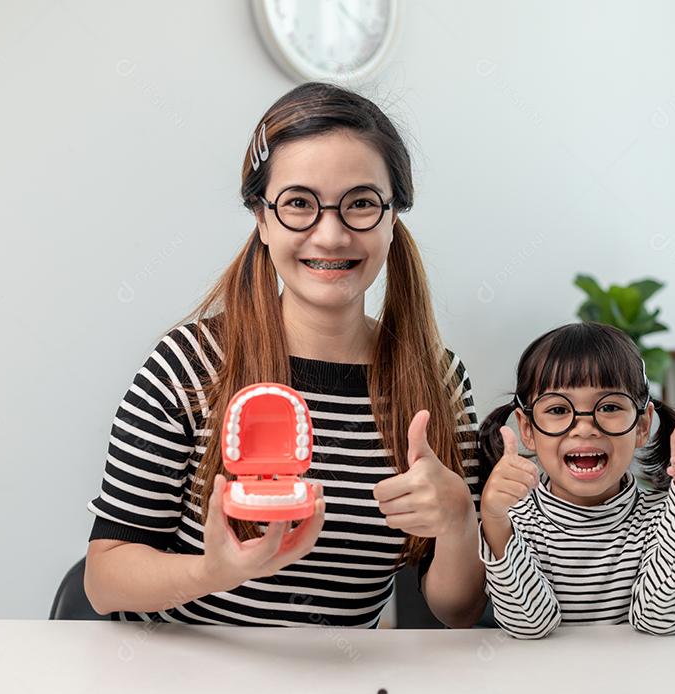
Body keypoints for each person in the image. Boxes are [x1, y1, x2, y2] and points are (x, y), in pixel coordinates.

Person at [84, 83, 486, 628]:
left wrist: (460, 520)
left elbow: (457, 612)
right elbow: (104, 580)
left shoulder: (439, 379)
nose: (331, 234)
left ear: (393, 217)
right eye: (299, 204)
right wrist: (214, 571)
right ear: (262, 217)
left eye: (361, 204)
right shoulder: (188, 364)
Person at [478, 322, 675, 638]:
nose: (584, 427)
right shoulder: (515, 518)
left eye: (608, 406)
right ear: (527, 429)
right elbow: (531, 627)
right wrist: (496, 525)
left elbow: (660, 621)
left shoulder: (665, 517)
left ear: (642, 425)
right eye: (557, 409)